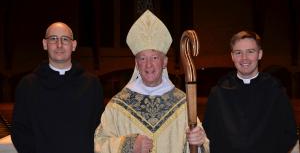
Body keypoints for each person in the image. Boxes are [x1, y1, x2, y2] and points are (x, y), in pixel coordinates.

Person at [94, 10, 209, 153]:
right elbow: (100, 142)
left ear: (165, 62)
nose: (148, 65)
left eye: (154, 58)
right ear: (136, 63)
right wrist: (129, 145)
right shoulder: (118, 105)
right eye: (142, 58)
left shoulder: (183, 105)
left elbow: (199, 145)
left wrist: (198, 144)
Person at [11, 22, 104, 153]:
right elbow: (20, 130)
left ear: (74, 45)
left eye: (65, 39)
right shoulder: (28, 85)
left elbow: (99, 128)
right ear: (44, 44)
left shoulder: (92, 84)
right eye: (53, 39)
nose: (59, 45)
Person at [203, 30, 298, 153]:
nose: (244, 58)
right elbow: (209, 135)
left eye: (250, 52)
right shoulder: (218, 93)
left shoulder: (276, 91)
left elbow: (289, 133)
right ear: (232, 56)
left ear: (260, 54)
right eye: (238, 53)